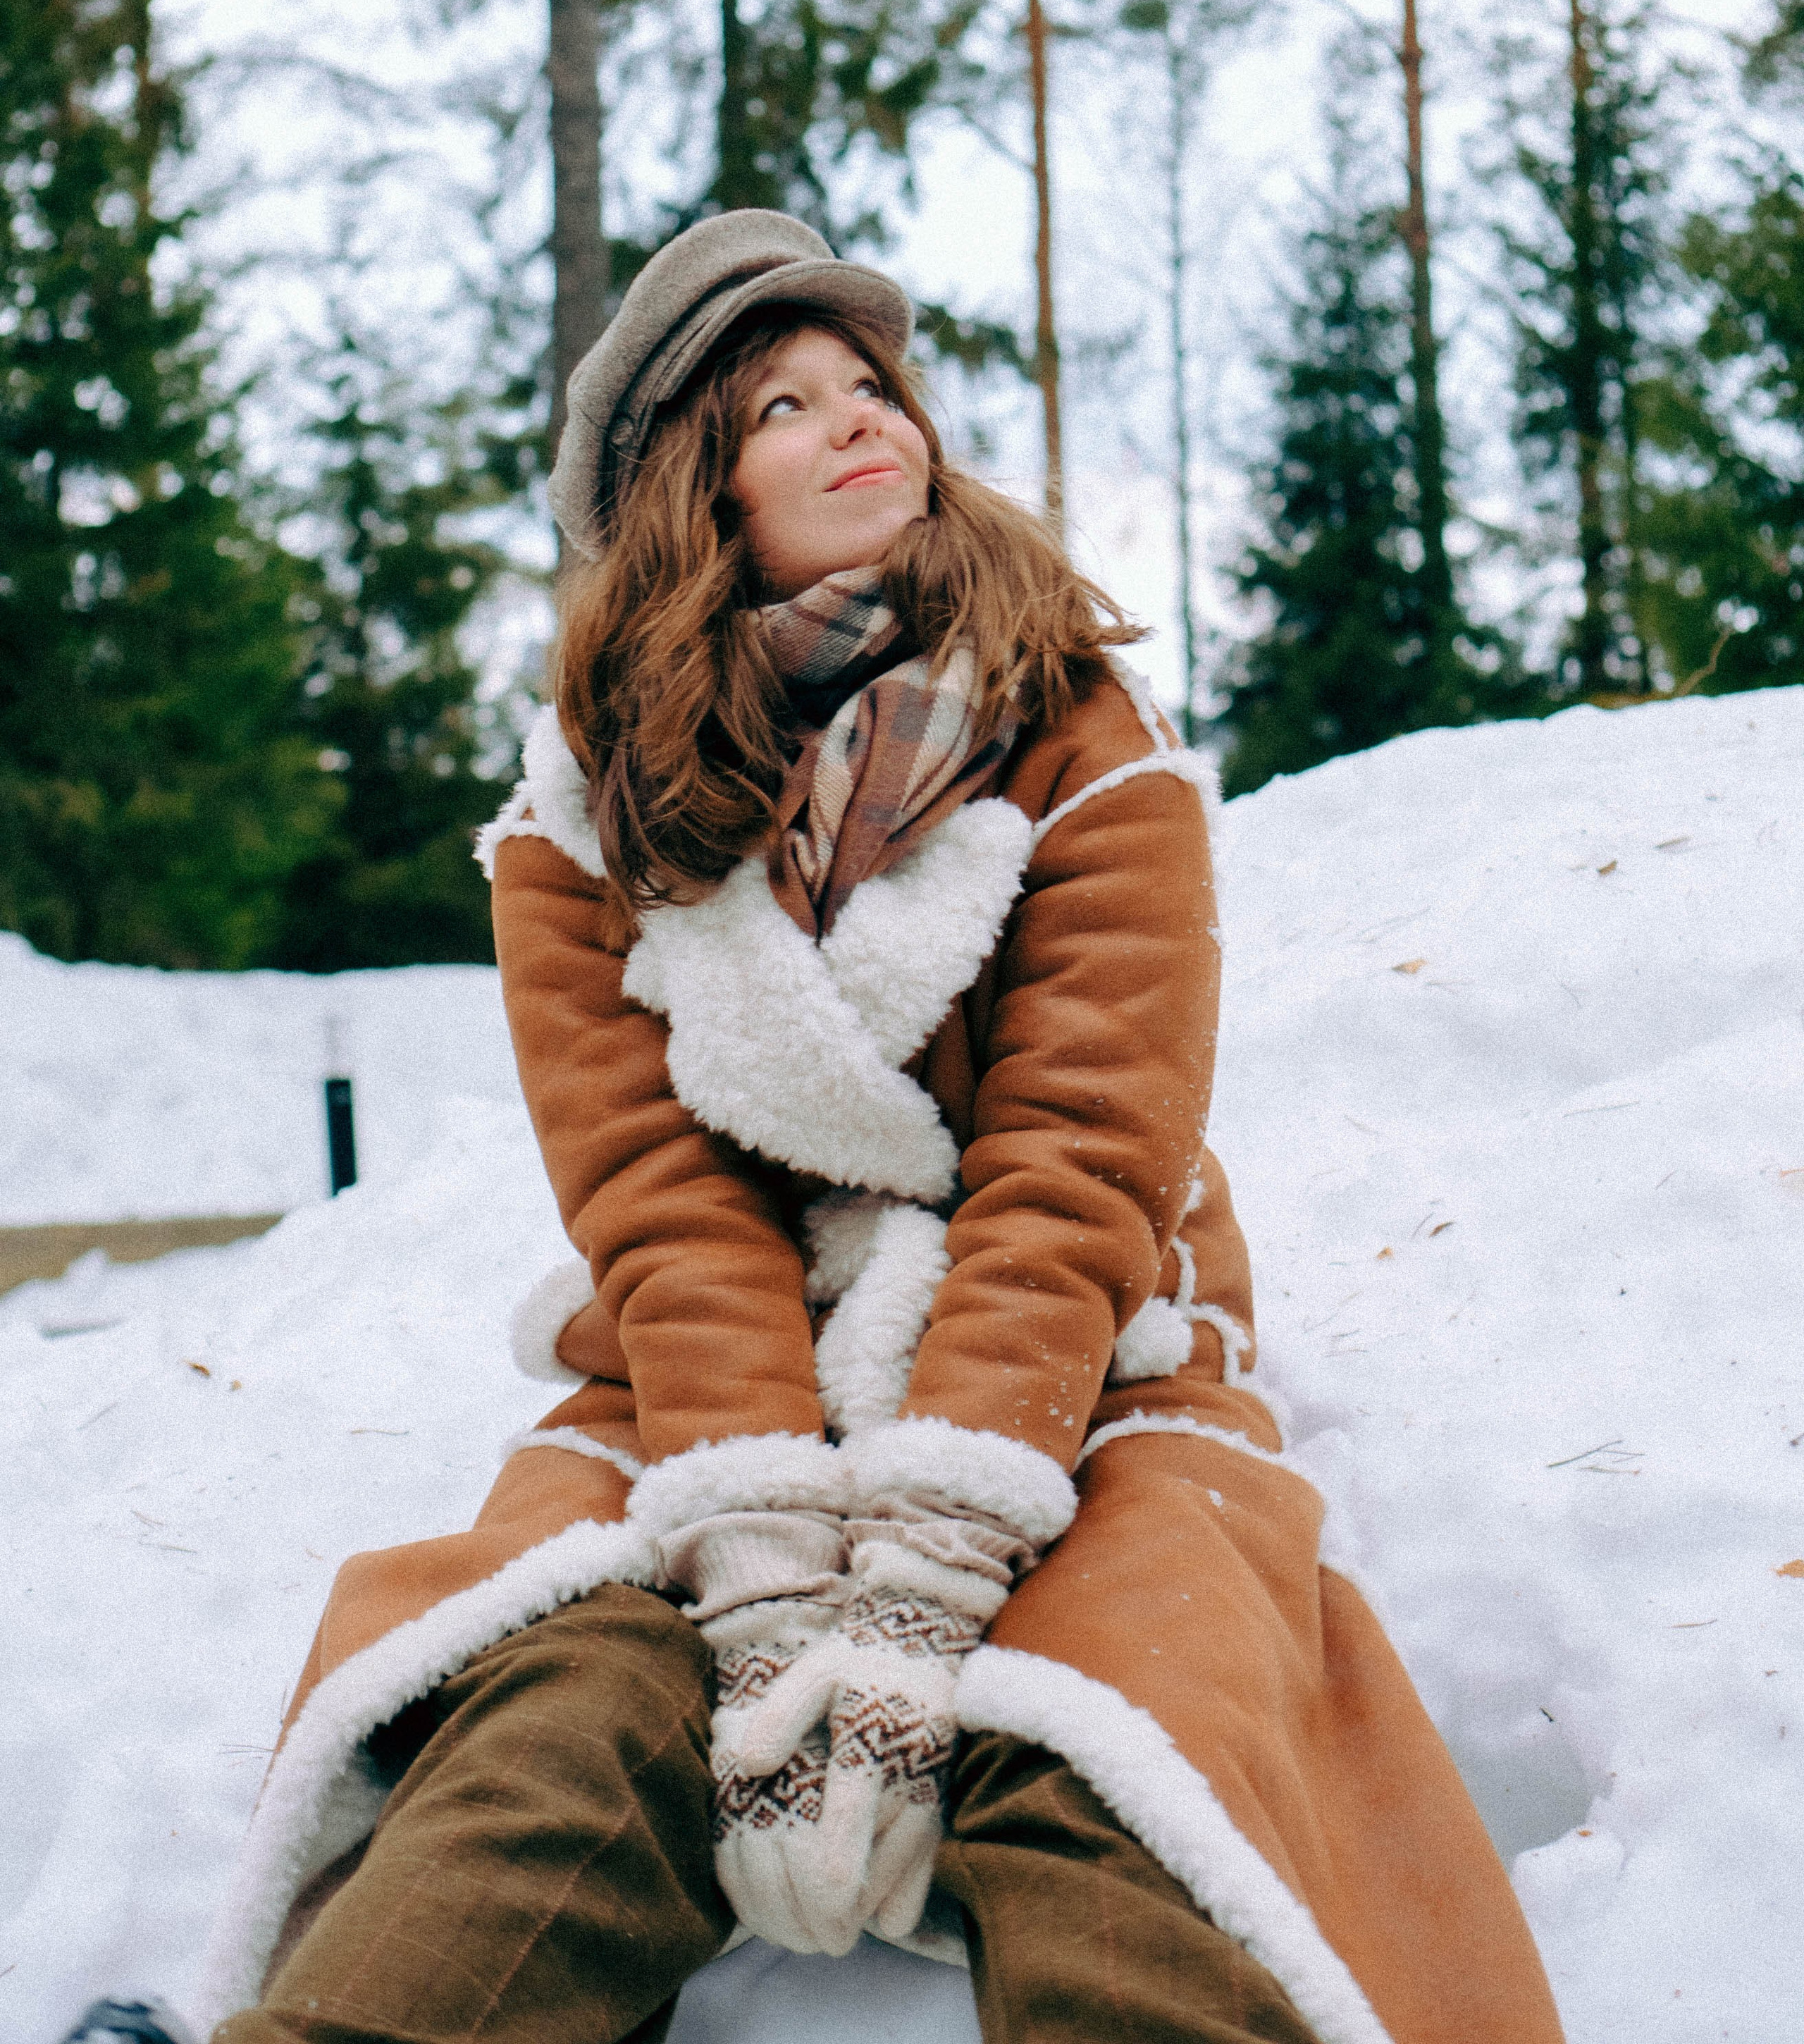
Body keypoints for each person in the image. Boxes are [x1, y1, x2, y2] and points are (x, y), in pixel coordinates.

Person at [69, 211, 1567, 2044]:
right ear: (696, 493)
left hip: (1076, 1359)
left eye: (874, 386)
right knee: (563, 1715)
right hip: (715, 1388)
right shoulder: (577, 832)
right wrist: (767, 1571)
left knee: (1131, 1734)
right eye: (788, 403)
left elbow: (1082, 1157)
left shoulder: (1079, 729)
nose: (866, 421)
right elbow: (662, 1206)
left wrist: (939, 1553)